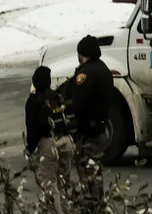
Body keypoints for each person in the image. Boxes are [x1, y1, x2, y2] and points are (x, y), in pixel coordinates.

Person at [66, 35, 114, 207]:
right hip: (102, 128)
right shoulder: (104, 69)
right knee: (95, 167)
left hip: (90, 131)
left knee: (88, 168)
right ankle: (98, 201)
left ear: (82, 54)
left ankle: (93, 204)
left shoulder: (85, 73)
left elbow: (78, 103)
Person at [25, 66, 74, 214]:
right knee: (64, 182)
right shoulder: (57, 97)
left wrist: (30, 148)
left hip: (48, 143)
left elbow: (31, 127)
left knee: (50, 183)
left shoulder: (33, 101)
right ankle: (67, 210)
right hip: (66, 141)